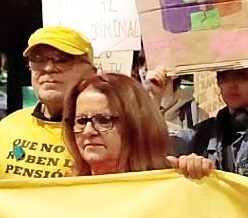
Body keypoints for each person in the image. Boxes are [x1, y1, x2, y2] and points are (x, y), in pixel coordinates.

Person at [0, 27, 91, 190]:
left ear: (90, 71)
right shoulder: (9, 126)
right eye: (38, 59)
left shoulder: (104, 130)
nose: (49, 68)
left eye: (63, 59)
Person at [63, 72, 215, 179]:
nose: (88, 131)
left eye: (104, 120)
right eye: (81, 121)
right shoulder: (65, 193)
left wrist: (199, 177)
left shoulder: (173, 184)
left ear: (135, 125)